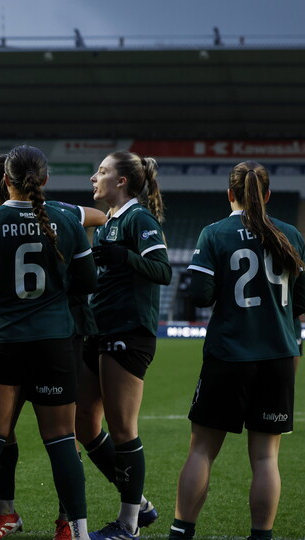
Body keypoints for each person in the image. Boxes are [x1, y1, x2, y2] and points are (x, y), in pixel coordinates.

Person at [0, 145, 98, 540]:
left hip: (0, 340)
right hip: (52, 341)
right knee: (62, 441)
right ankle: (79, 531)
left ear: (4, 181)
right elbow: (88, 281)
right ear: (45, 180)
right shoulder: (65, 220)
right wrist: (56, 293)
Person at [169, 161, 305, 540]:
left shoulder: (214, 234)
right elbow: (300, 304)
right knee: (266, 459)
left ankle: (181, 533)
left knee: (201, 452)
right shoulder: (291, 235)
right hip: (277, 358)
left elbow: (199, 296)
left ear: (230, 194)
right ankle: (260, 537)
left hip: (229, 355)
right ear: (267, 195)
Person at [80, 152, 170, 540]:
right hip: (98, 329)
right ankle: (140, 504)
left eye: (101, 171)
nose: (93, 177)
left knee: (122, 429)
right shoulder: (109, 222)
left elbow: (162, 270)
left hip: (128, 331)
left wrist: (125, 256)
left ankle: (129, 522)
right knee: (83, 422)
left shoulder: (139, 218)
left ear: (121, 181)